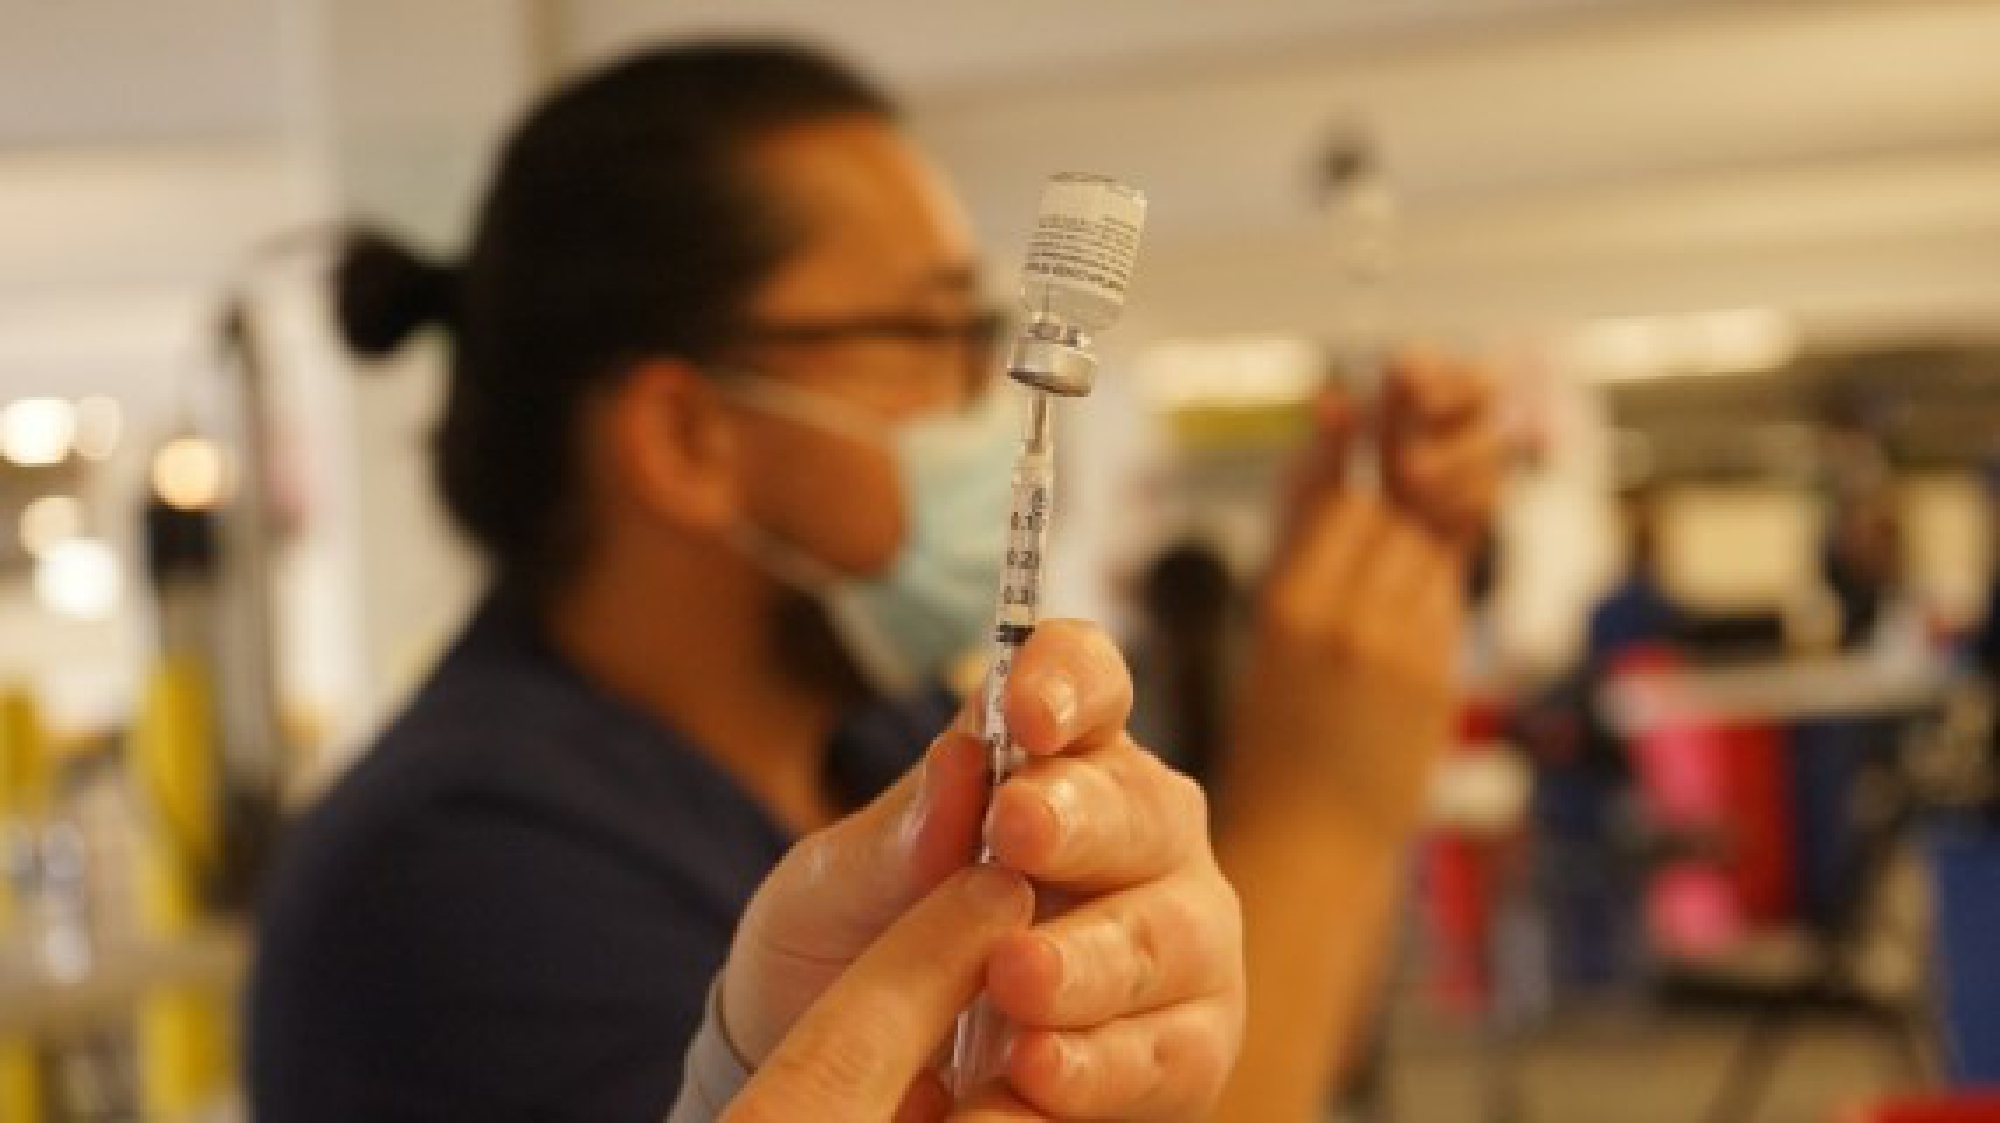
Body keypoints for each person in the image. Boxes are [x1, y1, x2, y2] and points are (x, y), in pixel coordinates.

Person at [251, 38, 1498, 1122]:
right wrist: (1325, 810)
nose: (973, 390)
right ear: (689, 437)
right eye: (926, 336)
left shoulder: (879, 740)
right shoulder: (455, 888)